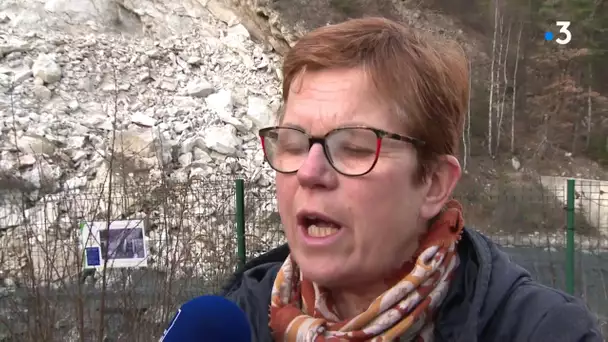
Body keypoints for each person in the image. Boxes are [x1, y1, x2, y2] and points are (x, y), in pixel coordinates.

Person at [221, 17, 602, 341]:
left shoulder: (542, 331)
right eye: (292, 143)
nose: (308, 171)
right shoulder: (238, 316)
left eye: (353, 148)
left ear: (434, 184)